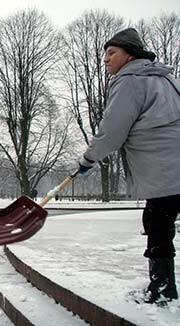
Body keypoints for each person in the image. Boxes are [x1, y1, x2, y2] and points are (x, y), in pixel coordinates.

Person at [78, 28, 180, 304]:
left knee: (157, 223)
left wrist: (88, 158)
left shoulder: (130, 80)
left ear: (130, 54)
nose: (106, 60)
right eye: (104, 55)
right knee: (163, 221)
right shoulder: (166, 78)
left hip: (164, 167)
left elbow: (113, 130)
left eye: (112, 53)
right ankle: (163, 287)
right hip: (174, 164)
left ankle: (162, 290)